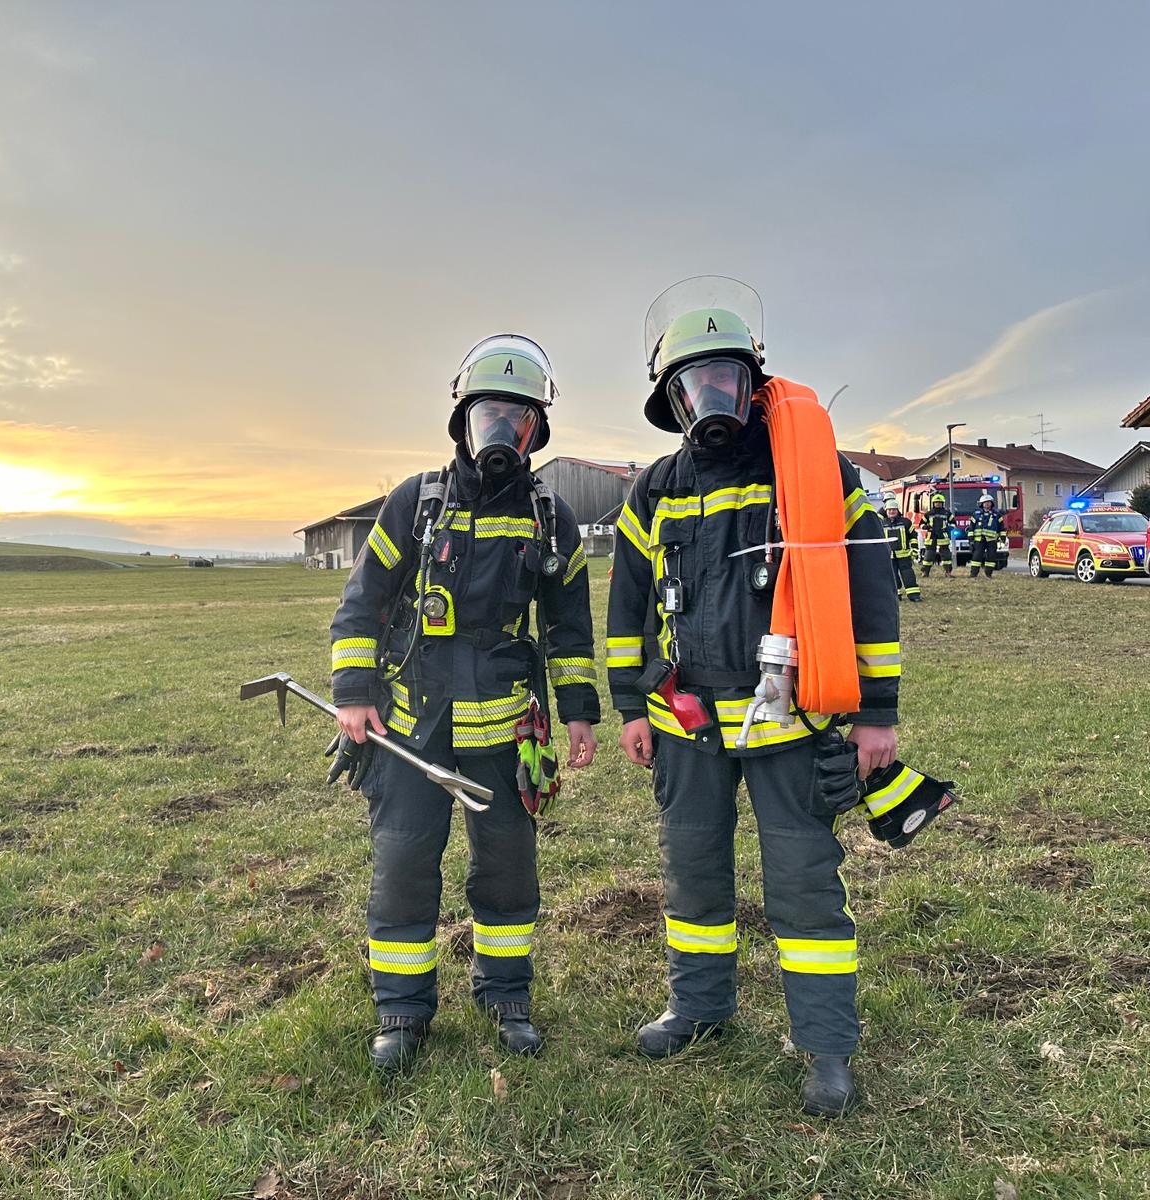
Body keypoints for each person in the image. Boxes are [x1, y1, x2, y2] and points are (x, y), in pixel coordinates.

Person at [607, 281, 900, 1117]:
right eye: (693, 384)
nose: (711, 398)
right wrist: (630, 707)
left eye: (725, 379)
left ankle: (827, 1049)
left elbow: (870, 590)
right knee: (693, 875)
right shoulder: (654, 489)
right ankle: (699, 1008)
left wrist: (876, 713)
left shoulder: (813, 472)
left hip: (791, 723)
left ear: (754, 384)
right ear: (672, 398)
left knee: (804, 885)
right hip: (686, 725)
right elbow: (628, 607)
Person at [327, 334, 600, 1071]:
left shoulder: (552, 519)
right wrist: (353, 693)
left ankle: (506, 997)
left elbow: (569, 627)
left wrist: (578, 709)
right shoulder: (415, 503)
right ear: (463, 421)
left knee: (507, 866)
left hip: (506, 730)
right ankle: (402, 1011)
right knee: (404, 862)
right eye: (489, 415)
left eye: (517, 418)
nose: (501, 431)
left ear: (535, 431)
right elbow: (362, 603)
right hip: (411, 726)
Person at [882, 498, 922, 601]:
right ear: (886, 511)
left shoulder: (906, 522)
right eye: (889, 510)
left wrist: (914, 549)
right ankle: (896, 595)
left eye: (894, 509)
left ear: (897, 510)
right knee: (892, 576)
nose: (892, 511)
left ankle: (914, 595)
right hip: (889, 556)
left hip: (904, 555)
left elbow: (913, 536)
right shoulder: (882, 523)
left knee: (908, 575)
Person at [966, 493, 1003, 578]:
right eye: (985, 502)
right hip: (979, 540)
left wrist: (1002, 538)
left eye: (988, 502)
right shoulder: (976, 514)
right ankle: (973, 574)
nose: (987, 504)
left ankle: (988, 574)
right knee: (976, 557)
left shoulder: (997, 515)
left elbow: (1001, 527)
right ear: (981, 504)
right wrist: (971, 540)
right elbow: (971, 527)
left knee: (991, 557)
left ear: (991, 503)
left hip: (991, 540)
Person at [921, 493, 954, 576]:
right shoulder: (928, 514)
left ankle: (948, 572)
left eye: (939, 502)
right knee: (929, 555)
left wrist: (947, 528)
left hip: (943, 536)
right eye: (936, 502)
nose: (938, 504)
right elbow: (921, 524)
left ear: (943, 503)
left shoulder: (947, 513)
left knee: (946, 555)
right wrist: (926, 527)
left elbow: (953, 523)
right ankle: (925, 572)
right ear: (933, 503)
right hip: (931, 536)